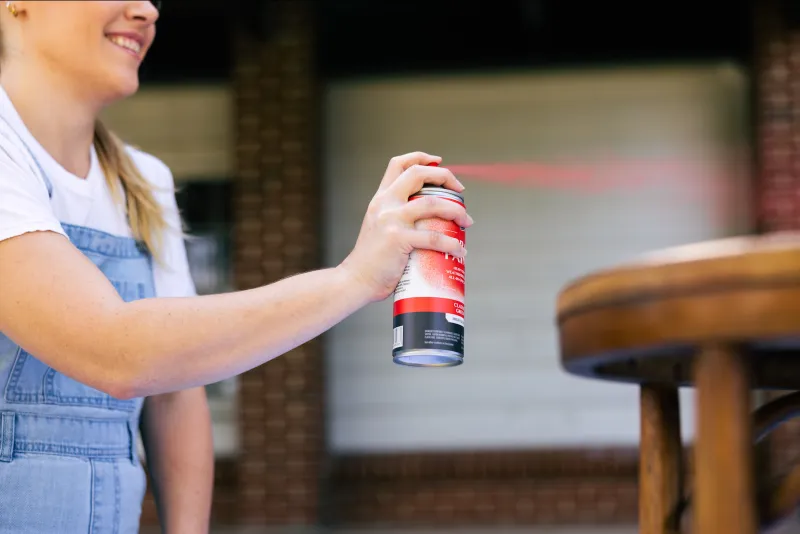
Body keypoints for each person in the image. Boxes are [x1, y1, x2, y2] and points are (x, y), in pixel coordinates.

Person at [0, 1, 472, 533]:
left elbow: (176, 392)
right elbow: (116, 352)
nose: (147, 11)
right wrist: (354, 279)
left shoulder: (143, 182)